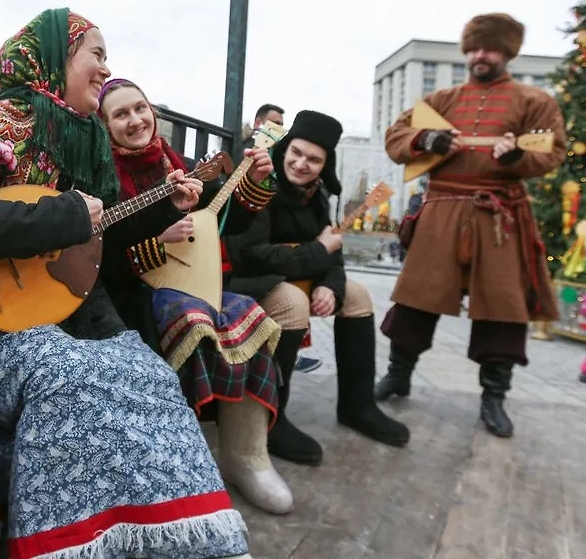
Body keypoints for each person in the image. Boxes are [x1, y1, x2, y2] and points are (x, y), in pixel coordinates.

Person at [0, 9, 252, 559]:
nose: (105, 67)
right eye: (95, 53)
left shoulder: (88, 134)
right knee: (73, 385)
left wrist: (161, 209)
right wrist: (62, 218)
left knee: (154, 381)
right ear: (58, 58)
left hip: (73, 310)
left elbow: (95, 240)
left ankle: (167, 541)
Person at [98, 77, 293, 515]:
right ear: (105, 124)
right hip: (134, 294)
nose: (135, 121)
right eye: (121, 114)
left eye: (140, 108)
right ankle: (182, 463)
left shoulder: (179, 163)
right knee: (193, 320)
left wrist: (256, 181)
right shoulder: (103, 175)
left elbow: (225, 224)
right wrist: (159, 241)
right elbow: (102, 259)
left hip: (192, 283)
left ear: (153, 112)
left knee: (249, 316)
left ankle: (247, 456)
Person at [377, 13, 566, 438]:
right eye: (474, 48)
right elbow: (396, 137)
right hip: (442, 209)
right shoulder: (441, 100)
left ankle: (494, 397)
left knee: (503, 306)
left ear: (507, 52)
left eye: (490, 48)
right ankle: (398, 376)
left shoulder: (534, 101)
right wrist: (425, 140)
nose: (480, 56)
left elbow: (552, 150)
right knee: (415, 299)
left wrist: (516, 156)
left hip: (500, 215)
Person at [223, 110, 410, 466]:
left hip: (295, 275)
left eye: (314, 159)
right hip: (250, 282)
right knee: (293, 301)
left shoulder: (318, 196)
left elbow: (332, 248)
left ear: (326, 165)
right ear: (285, 149)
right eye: (297, 153)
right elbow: (249, 256)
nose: (302, 164)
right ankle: (271, 418)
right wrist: (316, 253)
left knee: (357, 296)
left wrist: (330, 286)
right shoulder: (262, 184)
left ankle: (357, 406)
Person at [247, 104, 322, 374]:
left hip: (272, 245)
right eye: (273, 123)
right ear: (258, 123)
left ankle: (291, 351)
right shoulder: (250, 151)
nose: (278, 129)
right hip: (251, 255)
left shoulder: (281, 158)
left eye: (281, 124)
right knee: (292, 285)